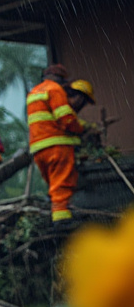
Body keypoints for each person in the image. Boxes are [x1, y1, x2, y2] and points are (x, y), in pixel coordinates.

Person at [27, 65, 96, 225]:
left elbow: (45, 120)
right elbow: (65, 118)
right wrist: (80, 129)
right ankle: (62, 222)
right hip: (57, 147)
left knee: (53, 185)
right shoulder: (55, 89)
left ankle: (54, 213)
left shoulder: (34, 93)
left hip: (39, 149)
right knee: (61, 186)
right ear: (60, 79)